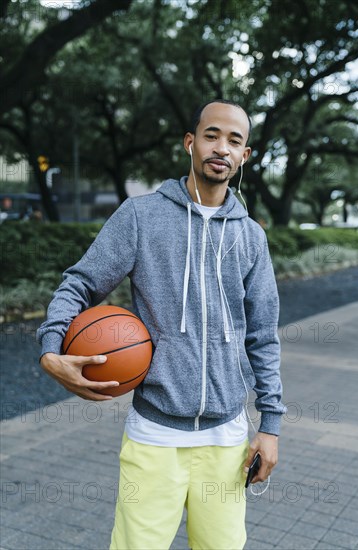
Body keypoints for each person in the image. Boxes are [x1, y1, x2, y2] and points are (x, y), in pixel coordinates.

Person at [37, 100, 286, 550]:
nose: (221, 148)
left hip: (227, 441)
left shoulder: (250, 236)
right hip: (154, 439)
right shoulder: (141, 216)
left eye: (234, 140)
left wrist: (270, 425)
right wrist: (50, 349)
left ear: (245, 156)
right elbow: (79, 285)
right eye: (212, 135)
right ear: (190, 143)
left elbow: (263, 336)